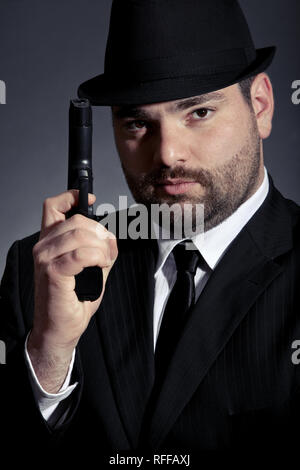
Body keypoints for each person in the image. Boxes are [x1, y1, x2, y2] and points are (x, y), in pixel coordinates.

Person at [1, 0, 300, 457]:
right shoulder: (40, 271)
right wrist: (49, 353)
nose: (167, 155)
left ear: (260, 106)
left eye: (198, 112)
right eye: (138, 122)